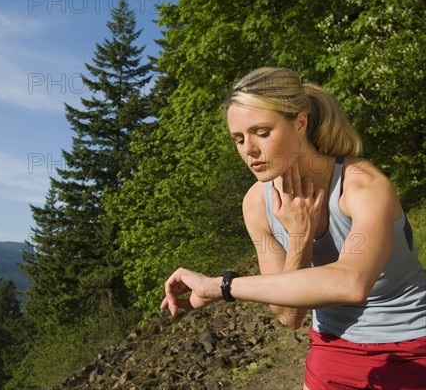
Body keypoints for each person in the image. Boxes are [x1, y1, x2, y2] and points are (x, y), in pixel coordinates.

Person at [160, 67, 426, 390]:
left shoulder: (362, 186)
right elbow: (289, 316)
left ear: (299, 123)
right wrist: (299, 239)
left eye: (262, 132)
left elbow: (353, 282)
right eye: (239, 139)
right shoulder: (257, 205)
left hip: (410, 347)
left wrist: (221, 287)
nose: (249, 150)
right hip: (330, 348)